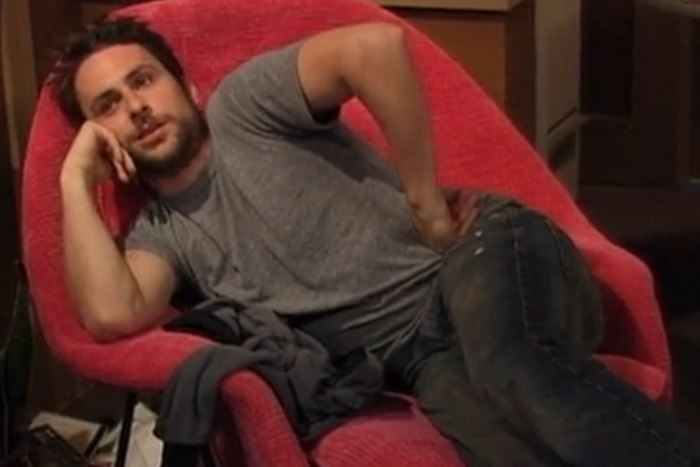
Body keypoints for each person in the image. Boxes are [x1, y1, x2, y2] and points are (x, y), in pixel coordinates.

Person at [53, 16, 700, 467]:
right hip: (417, 355)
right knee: (503, 449)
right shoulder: (161, 233)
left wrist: (425, 202)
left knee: (513, 363)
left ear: (186, 88)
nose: (135, 107)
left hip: (477, 252)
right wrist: (74, 177)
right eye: (107, 105)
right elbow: (111, 313)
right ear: (100, 137)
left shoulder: (243, 108)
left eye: (143, 80)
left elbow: (375, 48)